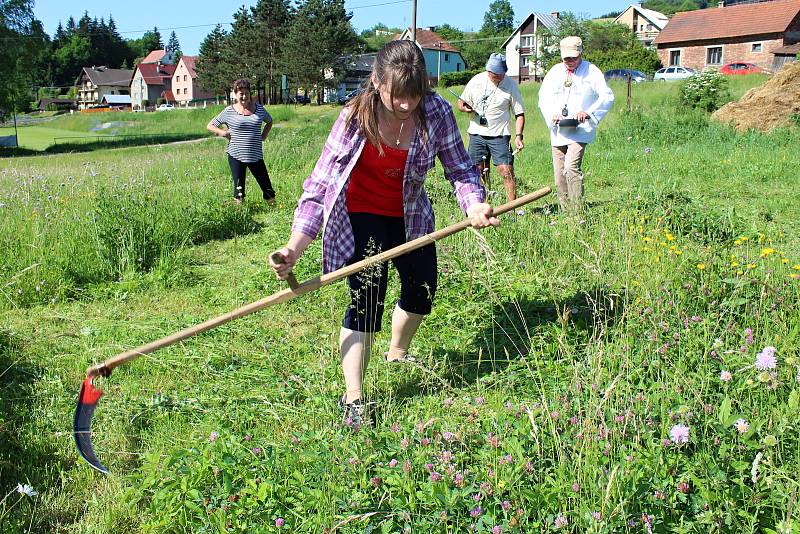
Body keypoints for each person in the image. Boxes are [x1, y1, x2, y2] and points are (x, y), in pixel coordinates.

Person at [270, 40, 498, 427]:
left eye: (415, 95)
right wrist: (294, 246)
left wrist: (473, 205)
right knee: (366, 300)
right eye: (398, 97)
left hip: (410, 215)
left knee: (422, 289)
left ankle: (397, 351)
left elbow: (460, 169)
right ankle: (354, 397)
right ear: (377, 82)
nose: (407, 105)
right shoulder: (354, 117)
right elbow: (320, 185)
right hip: (363, 216)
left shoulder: (436, 111)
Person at [538, 36, 614, 212]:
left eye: (573, 57)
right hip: (559, 130)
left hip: (580, 129)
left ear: (581, 53)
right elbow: (544, 98)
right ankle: (567, 211)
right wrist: (552, 114)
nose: (570, 61)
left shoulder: (592, 71)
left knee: (571, 167)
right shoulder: (555, 72)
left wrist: (588, 112)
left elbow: (606, 96)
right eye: (566, 58)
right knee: (559, 175)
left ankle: (577, 210)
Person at [457, 53, 525, 202]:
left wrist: (519, 136)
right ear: (488, 71)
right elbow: (460, 103)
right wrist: (466, 108)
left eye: (501, 74)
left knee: (506, 171)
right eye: (495, 75)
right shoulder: (476, 80)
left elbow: (519, 113)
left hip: (500, 136)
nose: (498, 77)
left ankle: (512, 209)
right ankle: (484, 203)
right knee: (479, 171)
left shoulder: (510, 85)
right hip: (477, 135)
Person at [207, 78, 275, 204]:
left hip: (256, 155)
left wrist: (263, 135)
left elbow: (269, 121)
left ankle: (274, 210)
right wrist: (223, 133)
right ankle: (241, 215)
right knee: (239, 188)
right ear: (235, 94)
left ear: (250, 94)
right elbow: (210, 125)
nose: (244, 96)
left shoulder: (259, 109)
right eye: (241, 93)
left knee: (267, 186)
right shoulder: (229, 111)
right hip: (236, 155)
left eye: (246, 93)